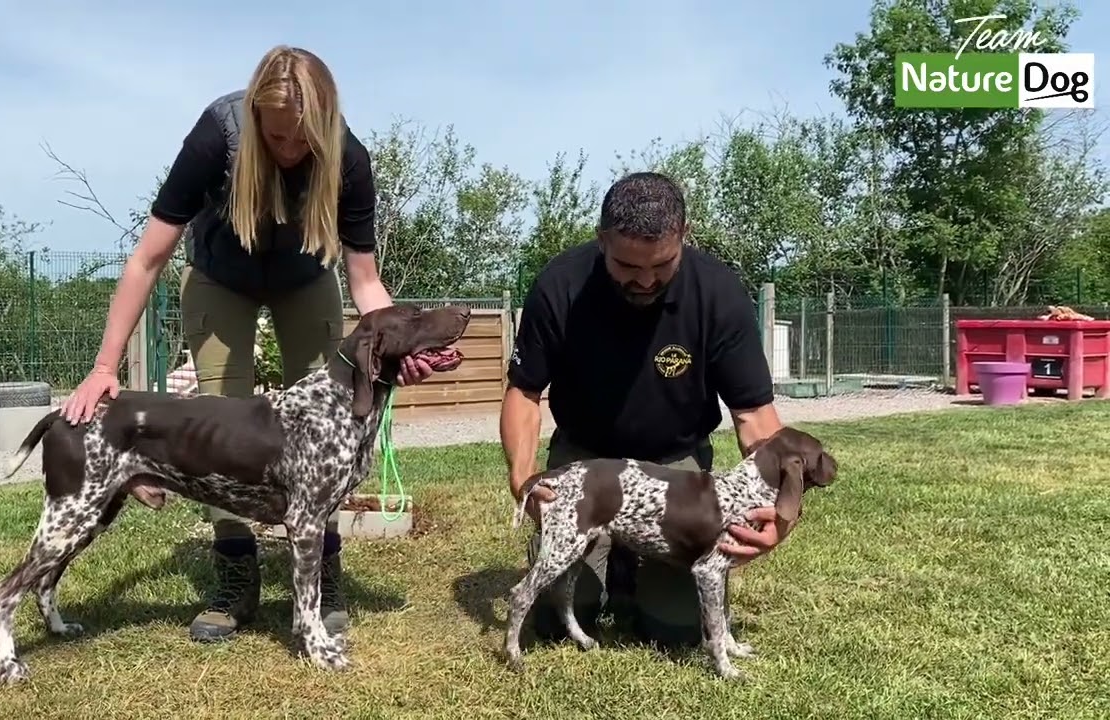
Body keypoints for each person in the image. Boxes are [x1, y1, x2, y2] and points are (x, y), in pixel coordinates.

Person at [59, 45, 433, 644]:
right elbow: (148, 256)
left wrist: (394, 345)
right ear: (256, 117)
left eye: (301, 139)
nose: (288, 150)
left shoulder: (349, 159)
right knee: (222, 421)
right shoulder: (217, 136)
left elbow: (364, 281)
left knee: (326, 435)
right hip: (218, 280)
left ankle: (323, 571)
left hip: (307, 280)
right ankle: (236, 576)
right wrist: (105, 367)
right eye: (277, 136)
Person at [499, 171, 789, 647]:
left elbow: (754, 416)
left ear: (684, 237)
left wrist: (774, 512)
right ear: (602, 240)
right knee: (557, 625)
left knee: (674, 631)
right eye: (628, 267)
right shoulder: (560, 285)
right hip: (585, 459)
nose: (646, 280)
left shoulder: (719, 293)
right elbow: (524, 394)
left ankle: (632, 564)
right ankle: (599, 556)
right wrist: (524, 476)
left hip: (674, 465)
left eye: (662, 265)